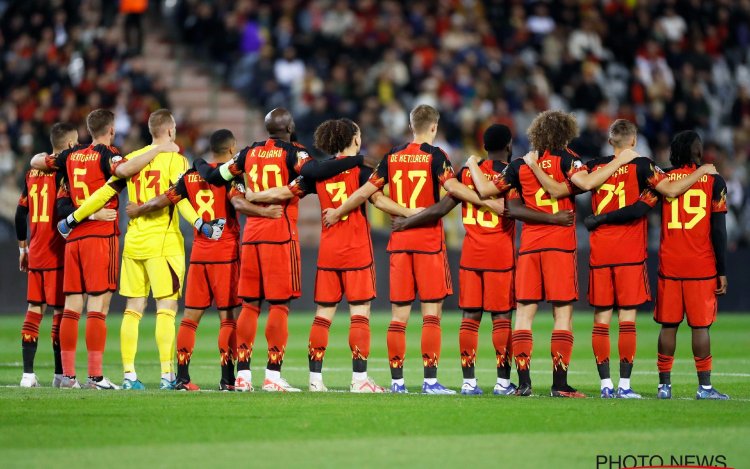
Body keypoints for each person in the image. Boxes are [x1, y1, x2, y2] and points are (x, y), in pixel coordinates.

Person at [392, 124, 573, 395]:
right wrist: (554, 218)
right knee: (501, 318)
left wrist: (408, 221)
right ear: (509, 146)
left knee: (470, 317)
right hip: (500, 255)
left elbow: (442, 208)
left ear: (484, 147)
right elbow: (514, 210)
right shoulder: (510, 173)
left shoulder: (467, 172)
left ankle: (469, 382)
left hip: (471, 254)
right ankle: (502, 383)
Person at [467, 110, 638, 397]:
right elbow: (584, 184)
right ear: (566, 132)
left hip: (530, 245)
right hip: (559, 244)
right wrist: (622, 160)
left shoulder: (520, 163)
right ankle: (560, 385)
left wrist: (472, 163)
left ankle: (523, 384)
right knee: (562, 316)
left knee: (523, 314)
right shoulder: (568, 158)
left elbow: (484, 190)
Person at [197, 108, 368, 392]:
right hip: (280, 234)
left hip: (251, 237)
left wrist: (198, 163)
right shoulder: (294, 152)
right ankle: (273, 376)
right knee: (279, 305)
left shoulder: (248, 153)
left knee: (250, 306)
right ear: (289, 128)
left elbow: (217, 177)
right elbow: (313, 171)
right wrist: (358, 160)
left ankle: (243, 376)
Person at [243, 118, 417, 392]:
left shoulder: (320, 173)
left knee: (323, 315)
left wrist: (256, 195)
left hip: (328, 251)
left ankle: (315, 380)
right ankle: (359, 381)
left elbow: (286, 191)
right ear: (355, 140)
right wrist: (409, 212)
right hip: (357, 249)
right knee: (360, 314)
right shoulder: (361, 170)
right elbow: (377, 199)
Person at [323, 105, 484, 394]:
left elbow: (367, 193)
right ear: (433, 127)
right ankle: (430, 381)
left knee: (399, 317)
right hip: (428, 243)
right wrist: (484, 201)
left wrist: (337, 211)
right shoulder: (435, 156)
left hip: (399, 244)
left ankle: (397, 382)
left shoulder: (392, 156)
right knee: (431, 315)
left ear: (411, 125)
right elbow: (454, 189)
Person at [58, 109, 223, 390]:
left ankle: (129, 375)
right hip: (163, 243)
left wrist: (73, 218)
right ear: (170, 131)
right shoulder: (176, 159)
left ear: (151, 131)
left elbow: (105, 192)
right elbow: (179, 197)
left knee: (132, 309)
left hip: (133, 243)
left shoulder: (132, 158)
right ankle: (167, 375)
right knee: (167, 309)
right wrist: (200, 224)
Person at [565, 120, 717, 398]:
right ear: (633, 141)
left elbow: (580, 183)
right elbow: (670, 190)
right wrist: (703, 171)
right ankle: (624, 386)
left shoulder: (595, 164)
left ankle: (605, 386)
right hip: (630, 254)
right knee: (627, 320)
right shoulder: (643, 165)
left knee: (601, 320)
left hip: (600, 252)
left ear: (611, 141)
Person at [126, 129, 282, 391]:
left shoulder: (190, 175)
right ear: (232, 149)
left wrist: (138, 209)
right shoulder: (231, 176)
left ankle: (183, 378)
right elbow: (240, 205)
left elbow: (163, 200)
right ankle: (227, 379)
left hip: (199, 254)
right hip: (226, 255)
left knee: (189, 319)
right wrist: (265, 213)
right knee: (228, 319)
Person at [30, 109, 173, 389]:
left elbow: (37, 160)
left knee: (72, 306)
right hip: (99, 237)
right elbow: (124, 170)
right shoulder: (107, 154)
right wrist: (158, 149)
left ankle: (67, 377)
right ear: (111, 130)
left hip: (72, 239)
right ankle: (95, 376)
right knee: (98, 305)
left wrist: (44, 160)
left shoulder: (71, 155)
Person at [15, 123, 114, 388]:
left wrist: (23, 248)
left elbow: (19, 213)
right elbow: (62, 208)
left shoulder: (31, 173)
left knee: (34, 310)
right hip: (58, 249)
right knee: (63, 311)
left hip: (35, 250)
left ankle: (27, 374)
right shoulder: (63, 173)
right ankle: (62, 374)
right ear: (71, 145)